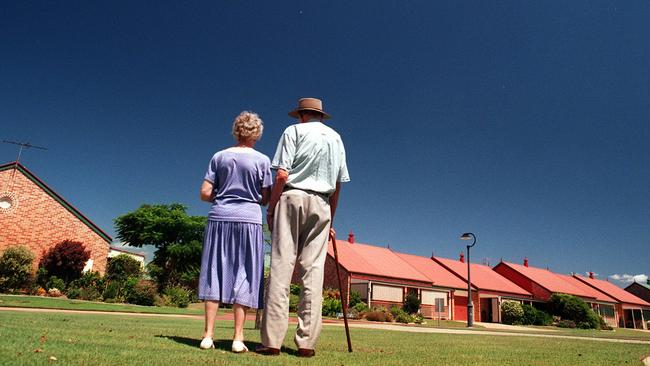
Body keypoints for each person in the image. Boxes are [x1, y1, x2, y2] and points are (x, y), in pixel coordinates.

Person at [257, 97, 350, 357]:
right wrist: (331, 218)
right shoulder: (336, 138)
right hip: (322, 203)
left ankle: (272, 342)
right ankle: (307, 344)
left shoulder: (293, 131)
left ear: (301, 114)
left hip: (292, 196)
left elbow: (282, 175)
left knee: (281, 266)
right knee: (314, 272)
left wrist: (272, 208)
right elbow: (338, 184)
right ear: (320, 115)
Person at [198, 111, 272, 353]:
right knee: (245, 273)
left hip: (220, 217)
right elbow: (266, 197)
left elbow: (205, 193)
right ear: (257, 134)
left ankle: (208, 335)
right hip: (249, 220)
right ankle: (238, 338)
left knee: (215, 270)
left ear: (236, 131)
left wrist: (225, 196)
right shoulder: (263, 161)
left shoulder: (219, 157)